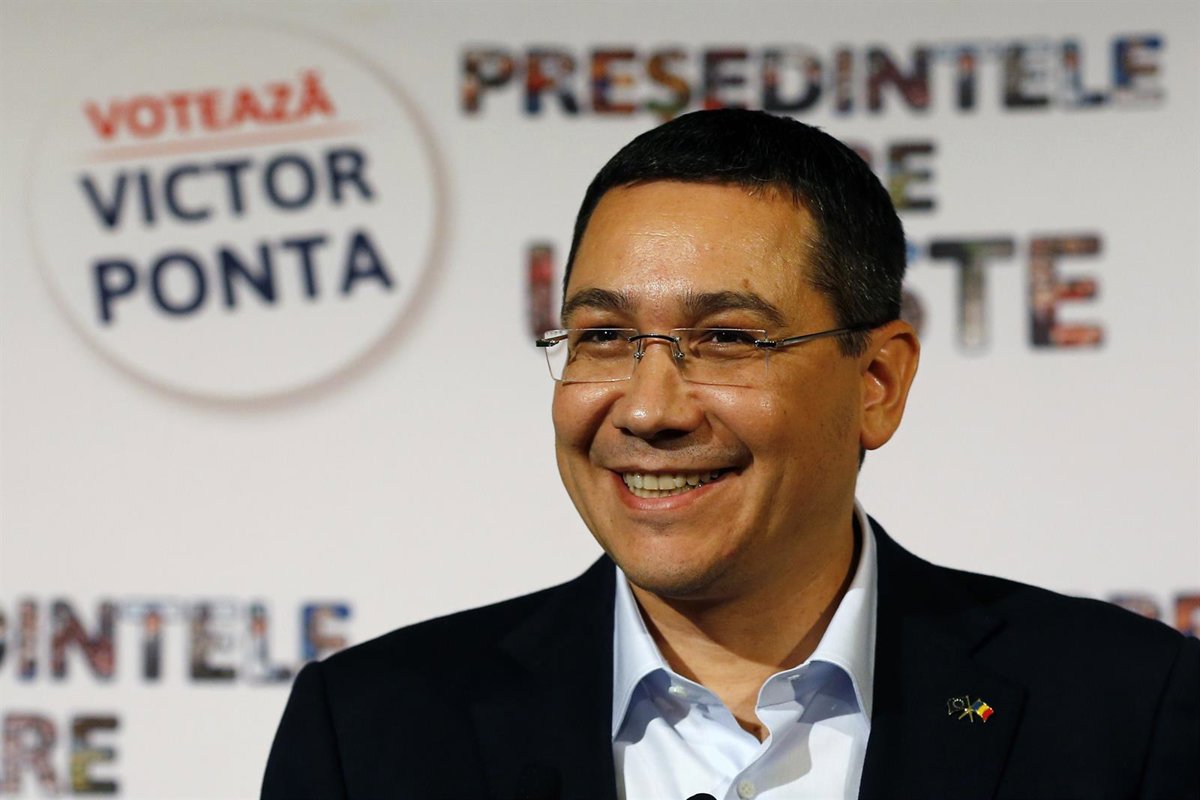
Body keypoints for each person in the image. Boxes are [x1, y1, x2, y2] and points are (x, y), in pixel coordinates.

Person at [262, 109, 1198, 800]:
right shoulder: (374, 731)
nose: (649, 408)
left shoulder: (1127, 710)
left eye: (728, 340)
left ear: (877, 382)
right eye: (602, 336)